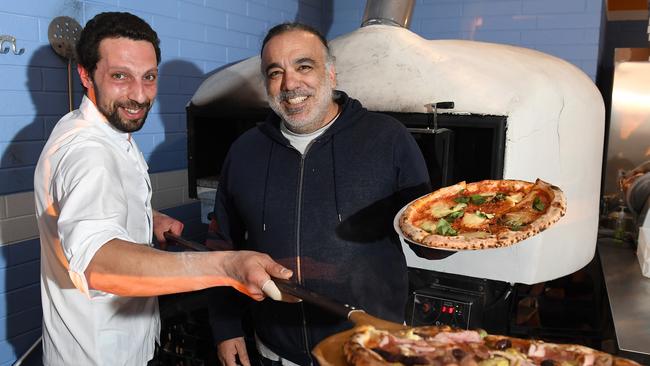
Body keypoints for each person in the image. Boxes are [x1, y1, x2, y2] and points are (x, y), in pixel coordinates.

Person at [33, 12, 292, 366]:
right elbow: (97, 261)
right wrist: (227, 267)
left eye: (149, 77)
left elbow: (81, 205)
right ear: (85, 74)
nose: (139, 96)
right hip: (102, 356)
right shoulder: (89, 152)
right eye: (120, 77)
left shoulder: (102, 130)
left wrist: (144, 216)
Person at [208, 23, 430, 366]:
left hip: (370, 347)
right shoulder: (244, 151)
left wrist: (456, 232)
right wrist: (225, 326)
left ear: (331, 73)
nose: (290, 84)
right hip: (275, 349)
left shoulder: (388, 140)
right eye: (275, 72)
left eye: (304, 66)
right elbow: (224, 245)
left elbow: (425, 234)